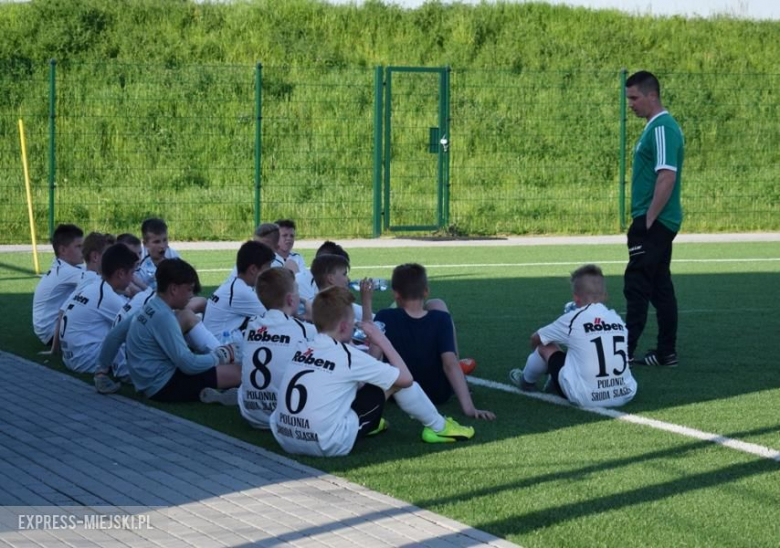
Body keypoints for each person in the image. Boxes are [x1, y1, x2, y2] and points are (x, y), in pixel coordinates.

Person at [270, 286, 475, 457]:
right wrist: (381, 339)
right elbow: (405, 379)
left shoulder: (303, 346)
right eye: (352, 322)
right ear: (343, 327)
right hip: (326, 443)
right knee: (395, 382)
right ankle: (439, 427)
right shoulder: (348, 356)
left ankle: (371, 422)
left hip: (285, 436)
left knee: (353, 385)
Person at [96, 259, 241, 403]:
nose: (191, 295)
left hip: (149, 383)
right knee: (238, 372)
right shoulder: (164, 317)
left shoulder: (149, 307)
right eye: (189, 289)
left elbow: (114, 335)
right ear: (173, 289)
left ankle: (211, 391)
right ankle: (219, 393)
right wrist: (221, 356)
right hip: (165, 386)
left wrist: (101, 371)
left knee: (186, 319)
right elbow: (189, 364)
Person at [374, 264, 495, 420]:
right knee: (438, 305)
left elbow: (373, 359)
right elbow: (450, 363)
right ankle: (461, 378)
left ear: (395, 294)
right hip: (438, 394)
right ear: (426, 291)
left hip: (398, 394)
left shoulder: (385, 316)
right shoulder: (441, 319)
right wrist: (470, 409)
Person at [509, 264, 638, 408]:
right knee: (580, 349)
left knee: (545, 346)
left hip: (587, 397)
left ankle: (526, 382)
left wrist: (544, 361)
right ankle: (557, 376)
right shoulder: (617, 319)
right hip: (625, 393)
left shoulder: (573, 318)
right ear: (605, 295)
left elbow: (535, 338)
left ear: (576, 298)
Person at [623, 71, 684, 367]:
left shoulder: (662, 128)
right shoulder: (656, 127)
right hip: (659, 221)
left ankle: (622, 352)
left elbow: (667, 176)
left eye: (634, 98)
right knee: (660, 286)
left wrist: (647, 220)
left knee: (637, 284)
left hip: (655, 222)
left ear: (652, 95)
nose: (630, 104)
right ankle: (665, 352)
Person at [239, 268, 316, 429]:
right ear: (290, 299)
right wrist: (313, 319)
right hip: (285, 416)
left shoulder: (252, 325)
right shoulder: (304, 329)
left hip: (251, 415)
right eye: (297, 291)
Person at [59, 244, 138, 373]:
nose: (133, 279)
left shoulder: (94, 285)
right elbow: (139, 326)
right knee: (136, 340)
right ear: (121, 273)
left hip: (71, 357)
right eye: (132, 273)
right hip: (85, 360)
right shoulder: (106, 296)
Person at [203, 240, 275, 336]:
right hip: (222, 345)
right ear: (253, 269)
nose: (269, 273)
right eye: (267, 267)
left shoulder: (233, 284)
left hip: (218, 341)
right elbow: (274, 319)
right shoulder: (241, 292)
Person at [32, 224, 85, 345]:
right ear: (63, 250)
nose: (84, 250)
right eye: (78, 246)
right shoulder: (65, 272)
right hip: (51, 332)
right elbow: (104, 280)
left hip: (48, 328)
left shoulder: (64, 266)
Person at [135, 218, 181, 291]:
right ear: (145, 244)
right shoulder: (139, 258)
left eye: (165, 240)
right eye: (157, 242)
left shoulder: (173, 256)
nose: (162, 246)